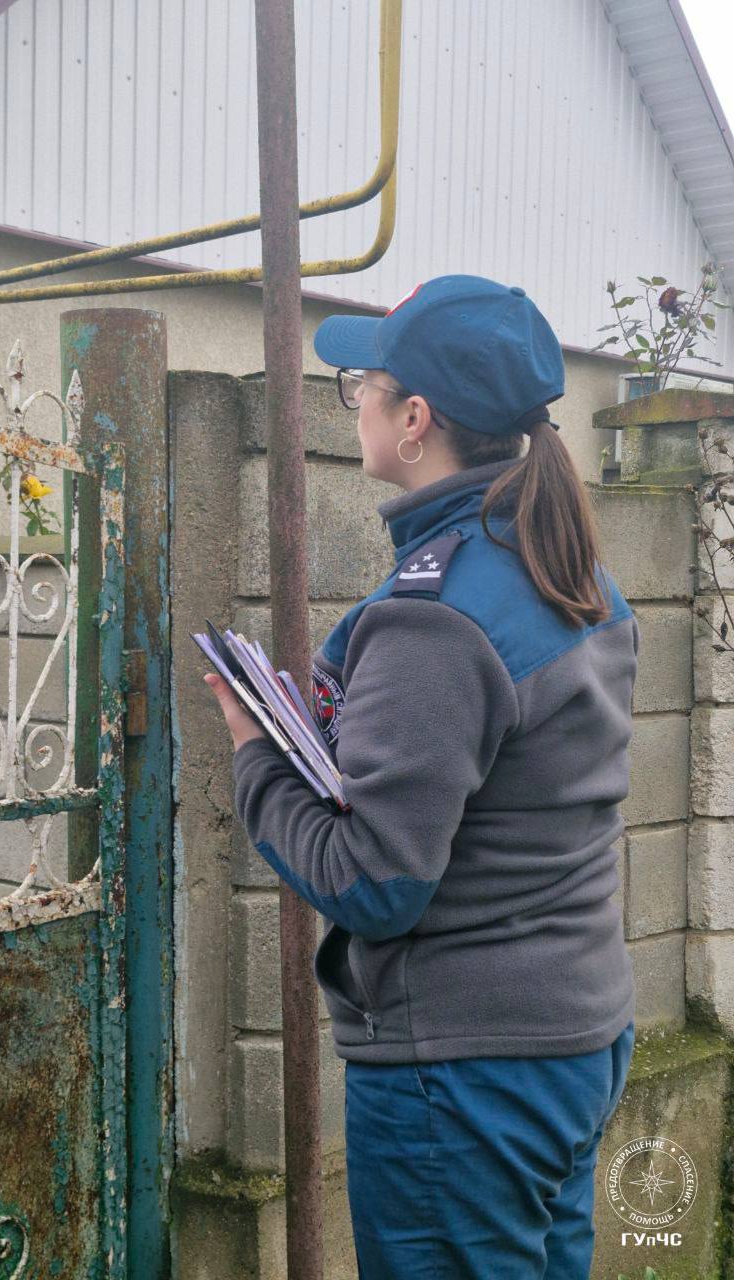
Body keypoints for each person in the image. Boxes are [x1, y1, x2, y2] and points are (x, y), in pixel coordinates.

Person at [203, 274, 637, 1279]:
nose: (349, 396)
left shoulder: (435, 615)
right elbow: (517, 778)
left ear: (415, 418)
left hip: (464, 1075)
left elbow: (376, 879)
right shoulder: (574, 573)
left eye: (362, 380)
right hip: (571, 1037)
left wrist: (256, 752)